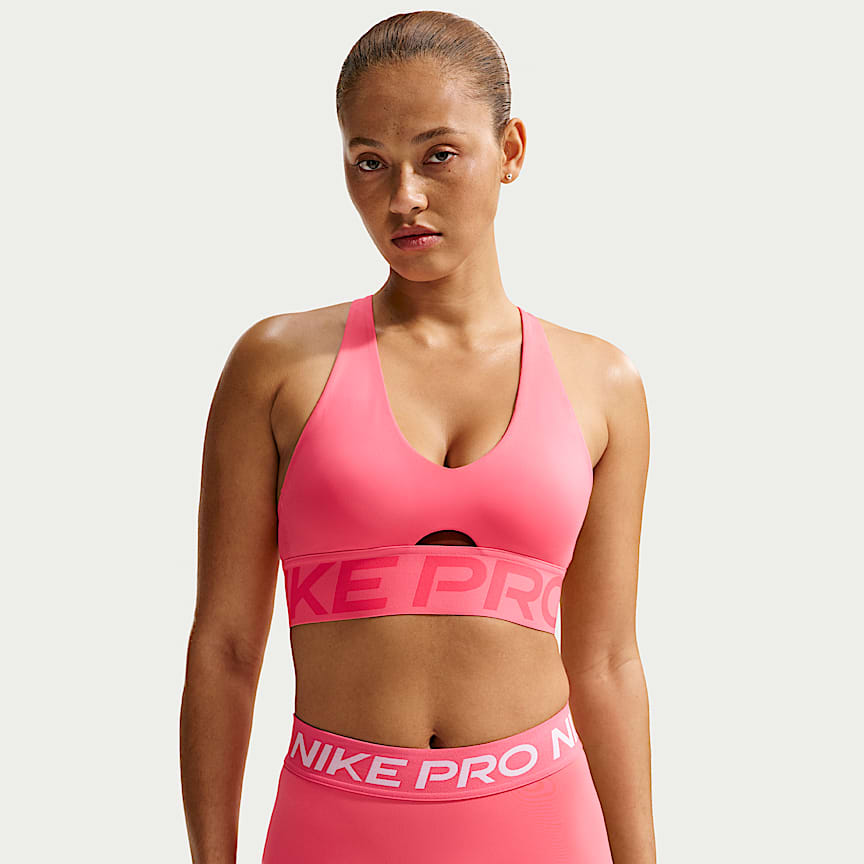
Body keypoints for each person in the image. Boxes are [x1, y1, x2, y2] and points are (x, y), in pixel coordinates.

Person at [180, 11, 654, 864]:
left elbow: (609, 662)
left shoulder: (602, 383)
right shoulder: (277, 366)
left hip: (542, 826)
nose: (403, 198)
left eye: (438, 155)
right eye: (370, 162)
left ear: (510, 150)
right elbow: (224, 649)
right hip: (332, 828)